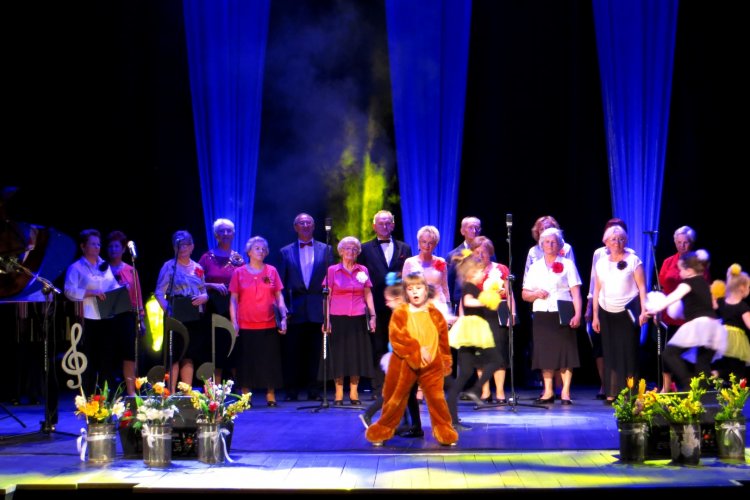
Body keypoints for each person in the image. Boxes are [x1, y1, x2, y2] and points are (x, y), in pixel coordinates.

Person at [365, 272, 458, 447]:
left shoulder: (434, 313)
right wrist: (417, 349)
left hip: (431, 363)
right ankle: (383, 429)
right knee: (395, 398)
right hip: (404, 363)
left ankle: (444, 430)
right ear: (406, 292)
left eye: (419, 288)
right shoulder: (401, 312)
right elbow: (397, 338)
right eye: (410, 289)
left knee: (437, 400)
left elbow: (443, 339)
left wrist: (445, 360)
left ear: (425, 290)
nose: (415, 292)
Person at [64, 229, 137, 395]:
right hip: (87, 317)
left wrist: (121, 288)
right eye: (93, 244)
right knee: (89, 358)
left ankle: (105, 396)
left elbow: (111, 285)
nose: (97, 247)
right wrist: (90, 293)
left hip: (106, 317)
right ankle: (88, 395)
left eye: (98, 244)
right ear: (83, 246)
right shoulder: (76, 267)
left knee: (106, 358)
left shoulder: (103, 265)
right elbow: (69, 291)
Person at [645, 250, 727, 391]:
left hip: (700, 325)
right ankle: (702, 394)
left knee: (669, 353)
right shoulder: (705, 283)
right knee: (702, 365)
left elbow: (673, 297)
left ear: (689, 271)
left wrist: (656, 308)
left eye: (681, 269)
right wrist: (684, 314)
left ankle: (687, 381)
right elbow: (711, 306)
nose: (680, 273)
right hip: (714, 327)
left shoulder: (687, 283)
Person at [521, 228, 582, 405]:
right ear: (541, 245)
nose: (550, 245)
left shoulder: (567, 264)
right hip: (542, 313)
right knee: (545, 354)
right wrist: (535, 294)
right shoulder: (535, 267)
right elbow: (524, 294)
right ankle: (548, 391)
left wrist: (578, 314)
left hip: (563, 311)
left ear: (560, 244)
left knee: (566, 353)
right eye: (547, 242)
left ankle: (565, 392)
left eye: (554, 242)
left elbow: (576, 293)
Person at [277, 213, 333, 401]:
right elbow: (280, 284)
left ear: (314, 226)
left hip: (318, 307)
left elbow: (330, 280)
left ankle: (314, 390)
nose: (306, 225)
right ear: (295, 227)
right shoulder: (285, 251)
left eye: (309, 222)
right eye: (302, 223)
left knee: (316, 353)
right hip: (295, 308)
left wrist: (328, 311)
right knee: (292, 352)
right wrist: (283, 311)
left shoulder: (327, 249)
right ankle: (291, 391)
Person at [357, 210, 412, 400]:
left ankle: (400, 385)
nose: (384, 226)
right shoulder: (364, 249)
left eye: (388, 222)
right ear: (374, 226)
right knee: (378, 346)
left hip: (399, 306)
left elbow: (408, 276)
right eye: (381, 223)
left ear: (393, 225)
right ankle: (379, 388)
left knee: (399, 345)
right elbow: (361, 278)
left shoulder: (405, 248)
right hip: (376, 305)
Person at [591, 225, 649, 403]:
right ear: (606, 242)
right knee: (610, 353)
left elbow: (642, 288)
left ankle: (630, 393)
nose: (617, 242)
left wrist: (644, 311)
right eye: (613, 239)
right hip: (606, 311)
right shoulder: (601, 263)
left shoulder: (633, 260)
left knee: (629, 352)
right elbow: (597, 290)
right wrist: (595, 316)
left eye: (621, 239)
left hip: (628, 311)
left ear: (626, 241)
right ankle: (611, 392)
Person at [445, 251, 504, 428]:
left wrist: (491, 295)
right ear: (471, 273)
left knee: (465, 373)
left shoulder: (474, 287)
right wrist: (484, 301)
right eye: (480, 271)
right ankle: (476, 390)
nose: (482, 274)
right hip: (472, 330)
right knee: (496, 360)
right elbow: (467, 302)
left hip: (474, 330)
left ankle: (454, 415)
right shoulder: (469, 286)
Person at [360, 278, 423, 438]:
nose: (386, 304)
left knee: (404, 392)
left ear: (398, 299)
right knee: (400, 392)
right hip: (401, 357)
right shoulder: (401, 313)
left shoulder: (405, 313)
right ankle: (409, 424)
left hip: (407, 358)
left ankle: (411, 425)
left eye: (388, 300)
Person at [229, 236, 287, 406]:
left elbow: (279, 296)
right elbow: (233, 299)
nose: (261, 251)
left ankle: (270, 395)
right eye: (257, 248)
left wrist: (283, 317)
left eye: (263, 249)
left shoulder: (271, 271)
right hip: (246, 324)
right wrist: (234, 321)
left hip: (268, 323)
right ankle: (246, 396)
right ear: (249, 252)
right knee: (246, 362)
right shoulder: (238, 272)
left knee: (269, 361)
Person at [154, 230, 210, 392]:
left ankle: (187, 393)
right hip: (175, 312)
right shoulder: (169, 266)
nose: (182, 248)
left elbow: (203, 289)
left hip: (193, 314)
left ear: (192, 247)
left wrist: (205, 297)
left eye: (186, 244)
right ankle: (171, 393)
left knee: (189, 354)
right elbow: (159, 292)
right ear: (174, 247)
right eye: (178, 245)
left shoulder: (198, 268)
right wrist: (167, 309)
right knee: (174, 354)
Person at [325, 236, 377, 405]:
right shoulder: (332, 270)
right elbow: (327, 297)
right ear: (341, 251)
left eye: (354, 249)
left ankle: (354, 392)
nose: (351, 251)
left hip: (358, 318)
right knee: (338, 356)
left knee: (356, 356)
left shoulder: (363, 270)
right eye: (347, 248)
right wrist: (326, 320)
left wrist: (373, 316)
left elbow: (368, 294)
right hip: (337, 318)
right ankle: (339, 392)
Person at [656, 225, 708, 392]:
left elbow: (704, 288)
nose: (682, 245)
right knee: (667, 351)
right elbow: (662, 288)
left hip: (692, 315)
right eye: (679, 242)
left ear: (691, 243)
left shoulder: (698, 262)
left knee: (692, 353)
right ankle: (666, 386)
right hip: (671, 316)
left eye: (685, 242)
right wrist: (657, 311)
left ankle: (694, 386)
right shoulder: (668, 262)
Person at [584, 218, 630, 399]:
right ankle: (605, 384)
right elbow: (593, 282)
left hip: (622, 307)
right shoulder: (599, 254)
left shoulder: (631, 255)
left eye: (619, 234)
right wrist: (590, 307)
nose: (615, 238)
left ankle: (622, 385)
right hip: (602, 304)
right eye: (611, 233)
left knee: (620, 347)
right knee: (601, 347)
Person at [197, 218, 245, 381]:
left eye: (228, 231)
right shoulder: (206, 257)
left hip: (233, 306)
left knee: (234, 344)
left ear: (233, 234)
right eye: (221, 231)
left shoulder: (238, 259)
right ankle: (216, 386)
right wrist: (212, 285)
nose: (225, 233)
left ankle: (237, 385)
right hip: (213, 307)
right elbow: (195, 282)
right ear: (216, 235)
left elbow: (245, 282)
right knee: (216, 346)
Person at [472, 236, 515, 404]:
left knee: (499, 354)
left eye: (484, 252)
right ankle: (485, 391)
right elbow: (465, 296)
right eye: (477, 252)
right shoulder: (470, 272)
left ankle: (500, 392)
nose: (480, 255)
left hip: (498, 314)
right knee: (481, 356)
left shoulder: (501, 269)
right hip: (479, 315)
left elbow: (509, 294)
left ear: (490, 252)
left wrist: (513, 314)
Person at [105, 230, 145, 390]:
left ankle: (131, 391)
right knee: (108, 354)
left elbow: (137, 296)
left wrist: (141, 319)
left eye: (116, 246)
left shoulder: (130, 270)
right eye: (110, 246)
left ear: (123, 249)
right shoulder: (102, 269)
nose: (113, 249)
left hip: (127, 316)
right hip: (106, 317)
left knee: (128, 354)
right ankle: (108, 392)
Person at [402, 225, 452, 321]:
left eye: (431, 243)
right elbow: (404, 287)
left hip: (438, 305)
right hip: (417, 305)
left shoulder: (441, 261)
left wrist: (448, 305)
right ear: (419, 242)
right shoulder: (409, 262)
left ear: (436, 244)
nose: (427, 246)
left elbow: (445, 286)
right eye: (424, 242)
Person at [713, 264, 750, 381]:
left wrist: (713, 294)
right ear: (742, 288)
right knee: (738, 369)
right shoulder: (743, 306)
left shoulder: (721, 302)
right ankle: (734, 386)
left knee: (728, 365)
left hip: (722, 338)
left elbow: (711, 307)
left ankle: (717, 373)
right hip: (737, 340)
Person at [447, 216, 483, 308]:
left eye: (477, 228)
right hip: (460, 302)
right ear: (462, 231)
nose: (474, 231)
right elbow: (449, 283)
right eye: (470, 227)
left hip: (482, 300)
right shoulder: (453, 255)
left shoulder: (487, 253)